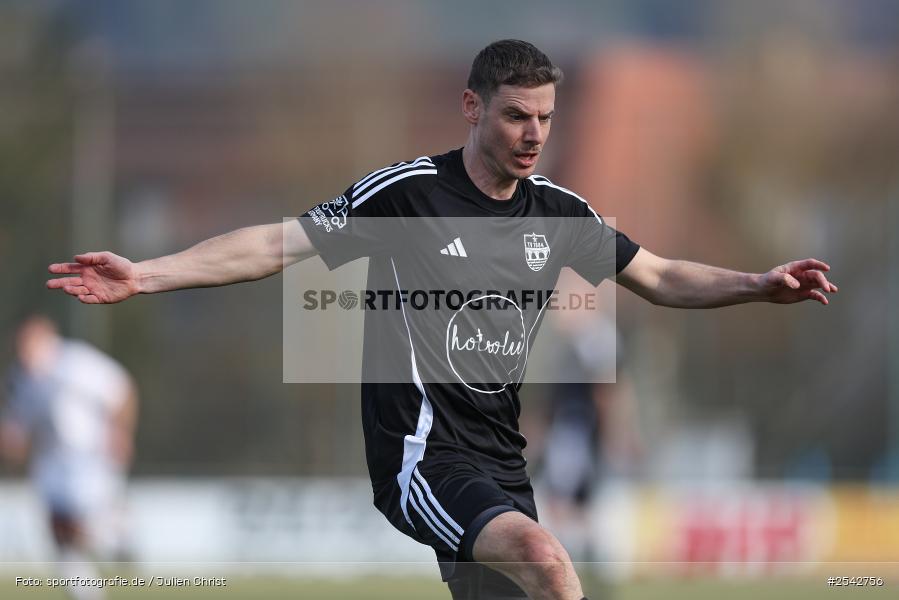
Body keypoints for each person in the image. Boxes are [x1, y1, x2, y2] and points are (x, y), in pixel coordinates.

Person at [45, 40, 837, 600]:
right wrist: (145, 274)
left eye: (546, 120)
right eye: (516, 116)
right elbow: (277, 245)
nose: (532, 136)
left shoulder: (561, 214)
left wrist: (757, 283)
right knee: (549, 566)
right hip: (421, 457)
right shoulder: (406, 195)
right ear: (471, 106)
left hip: (502, 465)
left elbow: (659, 276)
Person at [1, 315, 138, 600]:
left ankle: (116, 534)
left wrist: (120, 432)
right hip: (50, 463)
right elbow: (20, 425)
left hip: (88, 459)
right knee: (60, 539)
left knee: (76, 528)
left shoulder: (76, 363)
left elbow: (122, 389)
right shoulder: (22, 377)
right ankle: (88, 592)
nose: (25, 352)